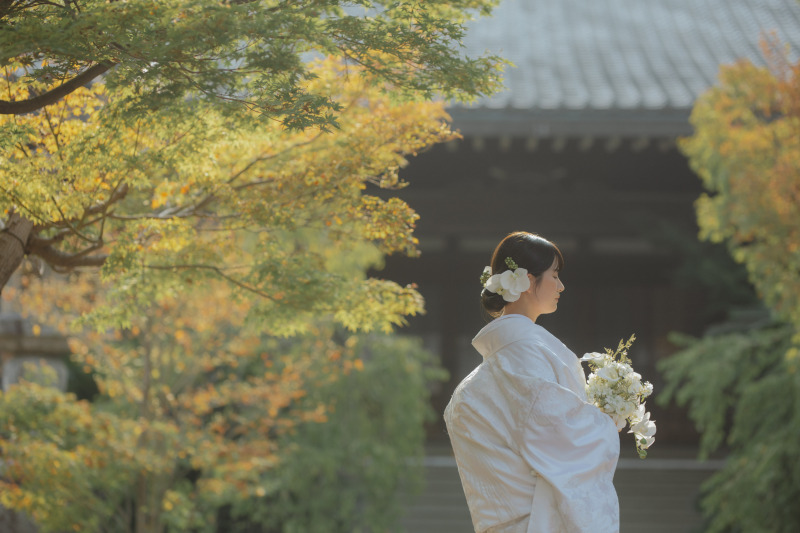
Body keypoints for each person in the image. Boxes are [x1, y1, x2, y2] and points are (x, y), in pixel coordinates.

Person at [444, 231, 620, 533]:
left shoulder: (494, 368)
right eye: (554, 275)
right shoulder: (523, 354)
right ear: (526, 281)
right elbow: (559, 436)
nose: (561, 286)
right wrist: (607, 420)